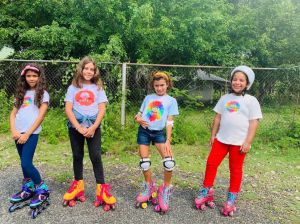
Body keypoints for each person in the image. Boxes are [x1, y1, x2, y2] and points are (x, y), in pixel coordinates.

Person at [194, 65, 262, 216]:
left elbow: (254, 122)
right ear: (231, 81)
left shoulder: (251, 101)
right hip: (222, 140)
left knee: (235, 170)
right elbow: (217, 117)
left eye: (241, 80)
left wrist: (248, 142)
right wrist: (213, 135)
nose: (237, 82)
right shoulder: (225, 98)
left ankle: (231, 200)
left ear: (247, 83)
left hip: (239, 143)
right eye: (235, 79)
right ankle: (206, 191)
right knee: (211, 163)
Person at [63, 56, 116, 211]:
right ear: (81, 69)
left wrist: (93, 128)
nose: (88, 71)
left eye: (92, 69)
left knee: (95, 156)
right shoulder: (73, 87)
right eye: (86, 68)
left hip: (93, 127)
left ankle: (102, 189)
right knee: (77, 155)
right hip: (75, 127)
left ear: (95, 72)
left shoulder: (98, 88)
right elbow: (68, 108)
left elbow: (102, 109)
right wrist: (79, 128)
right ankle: (78, 185)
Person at [9, 64, 50, 217]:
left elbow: (40, 116)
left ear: (39, 77)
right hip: (18, 133)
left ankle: (42, 187)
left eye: (34, 75)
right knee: (22, 162)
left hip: (31, 134)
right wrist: (14, 130)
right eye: (29, 76)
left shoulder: (43, 94)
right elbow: (13, 114)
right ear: (24, 77)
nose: (31, 78)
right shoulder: (21, 93)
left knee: (26, 162)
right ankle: (28, 186)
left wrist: (27, 134)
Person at [134, 71, 179, 213]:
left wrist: (168, 140)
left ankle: (165, 189)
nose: (159, 88)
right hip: (144, 132)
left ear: (167, 85)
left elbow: (170, 121)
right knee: (144, 162)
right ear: (153, 86)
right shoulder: (148, 98)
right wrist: (138, 119)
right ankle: (149, 186)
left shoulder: (171, 101)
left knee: (169, 161)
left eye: (162, 85)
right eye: (156, 85)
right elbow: (139, 115)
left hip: (159, 133)